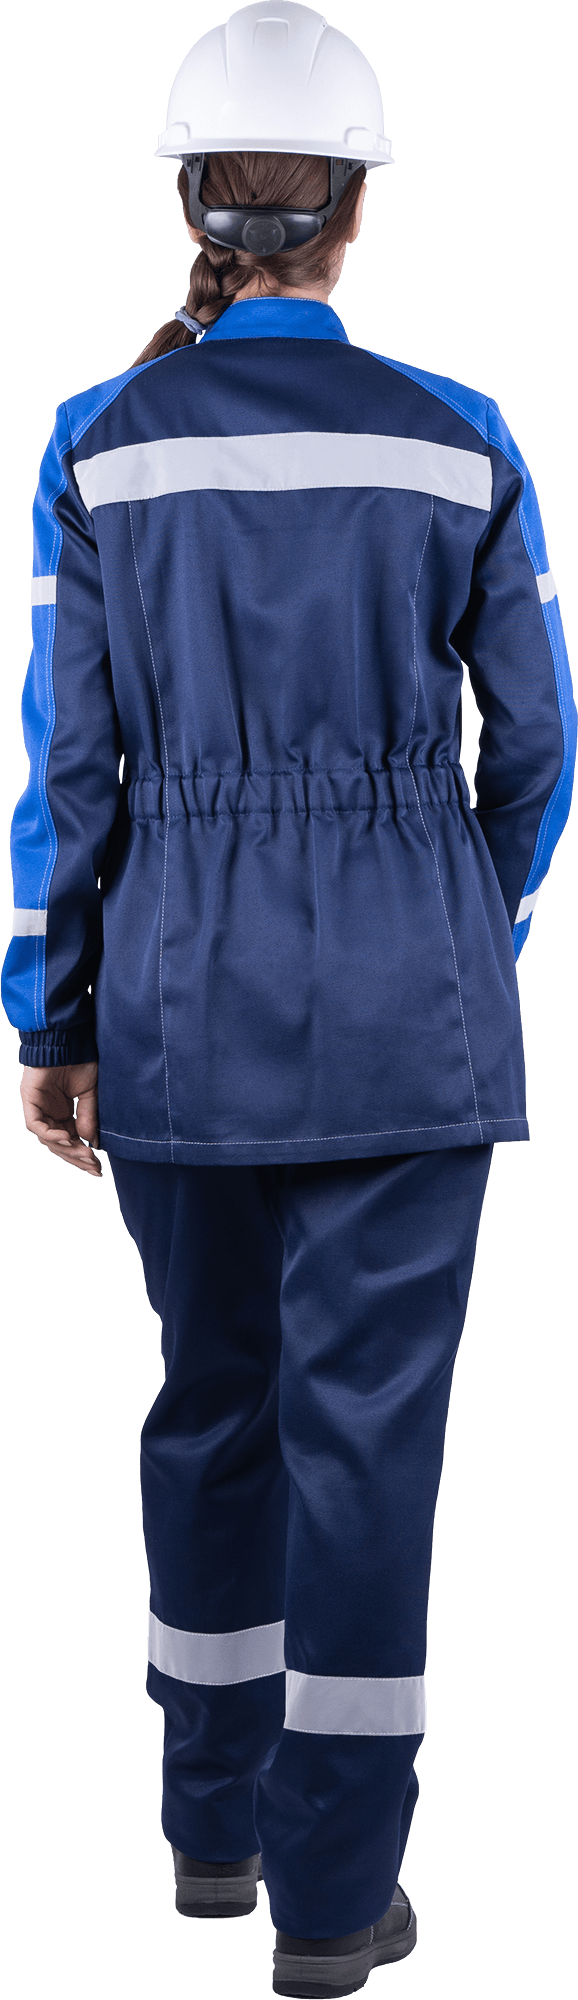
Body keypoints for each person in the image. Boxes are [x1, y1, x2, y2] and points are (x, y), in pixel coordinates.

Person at [3, 5, 575, 1994]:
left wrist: (52, 1015)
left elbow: (72, 769)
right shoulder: (461, 434)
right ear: (355, 212)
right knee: (369, 1450)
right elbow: (539, 750)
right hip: (415, 1015)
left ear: (193, 203)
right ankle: (336, 1906)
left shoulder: (99, 441)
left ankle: (206, 1841)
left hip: (173, 1013)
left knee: (208, 1408)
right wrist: (457, 938)